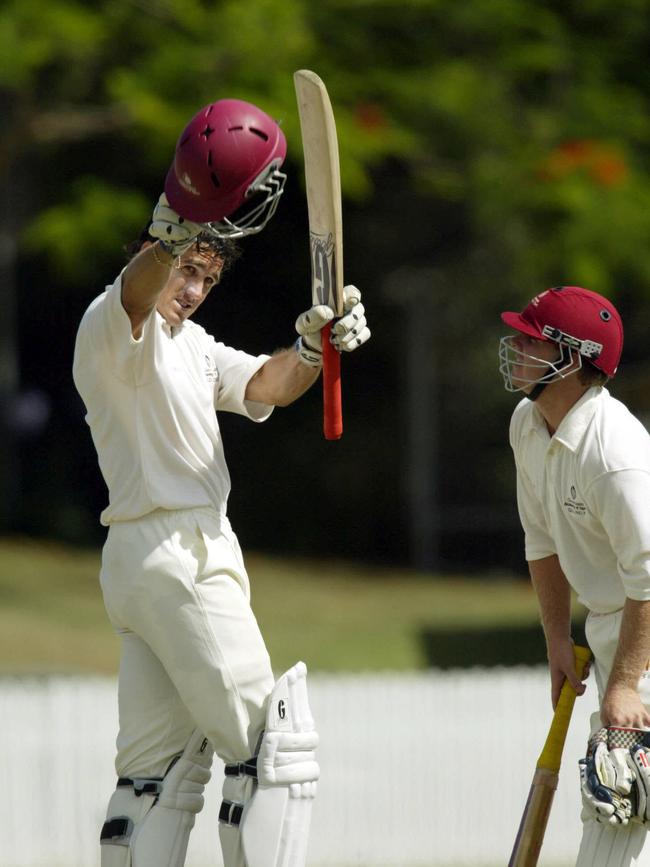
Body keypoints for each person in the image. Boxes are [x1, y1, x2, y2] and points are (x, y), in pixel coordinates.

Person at [72, 98, 370, 867]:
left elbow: (266, 387)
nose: (194, 285)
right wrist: (177, 224)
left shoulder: (192, 343)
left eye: (208, 273)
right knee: (271, 755)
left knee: (154, 778)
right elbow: (139, 290)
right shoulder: (112, 324)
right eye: (186, 268)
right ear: (155, 250)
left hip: (144, 565)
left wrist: (313, 344)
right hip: (178, 553)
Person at [499, 285, 650, 866]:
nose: (514, 343)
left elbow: (647, 576)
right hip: (618, 626)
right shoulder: (528, 423)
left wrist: (627, 685)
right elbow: (541, 542)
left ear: (570, 357)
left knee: (621, 803)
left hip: (642, 625)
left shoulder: (612, 454)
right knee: (613, 803)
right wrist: (558, 641)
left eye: (530, 338)